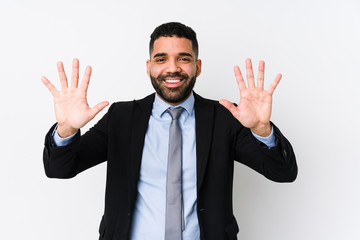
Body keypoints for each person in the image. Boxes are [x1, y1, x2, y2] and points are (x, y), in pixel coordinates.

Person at [41, 22, 297, 240]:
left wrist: (262, 129)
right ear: (149, 67)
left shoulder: (224, 118)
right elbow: (60, 169)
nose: (172, 68)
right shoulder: (121, 117)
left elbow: (283, 173)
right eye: (161, 59)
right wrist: (66, 129)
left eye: (183, 59)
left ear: (198, 66)